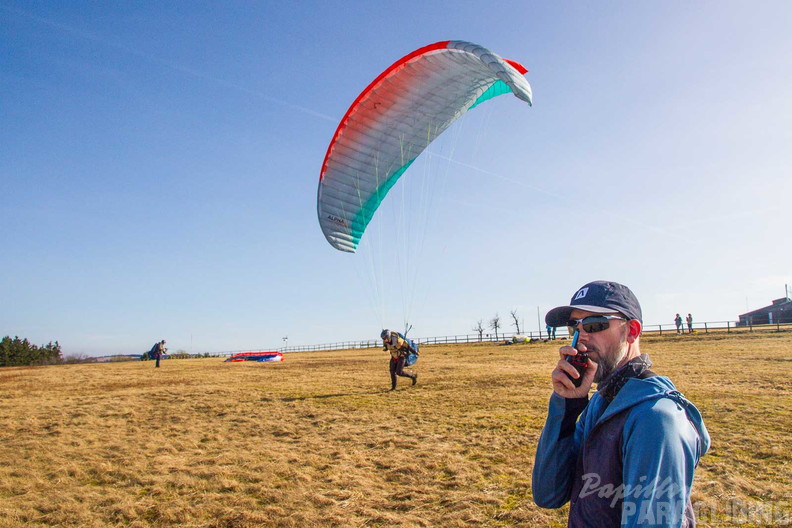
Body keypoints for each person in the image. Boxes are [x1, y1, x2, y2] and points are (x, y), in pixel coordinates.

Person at [532, 280, 710, 528]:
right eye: (574, 326)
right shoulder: (601, 402)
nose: (581, 337)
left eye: (595, 324)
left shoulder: (655, 418)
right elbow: (548, 494)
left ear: (632, 331)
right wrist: (566, 406)